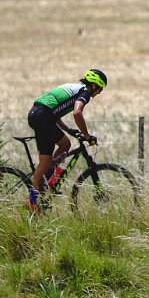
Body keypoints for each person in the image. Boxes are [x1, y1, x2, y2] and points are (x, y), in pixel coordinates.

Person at [25, 68, 107, 212]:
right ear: (94, 85)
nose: (100, 92)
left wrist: (69, 130)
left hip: (40, 114)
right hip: (43, 117)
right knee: (45, 161)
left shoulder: (76, 88)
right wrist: (86, 135)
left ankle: (49, 180)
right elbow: (77, 112)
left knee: (65, 144)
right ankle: (31, 200)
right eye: (100, 88)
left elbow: (54, 113)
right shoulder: (85, 92)